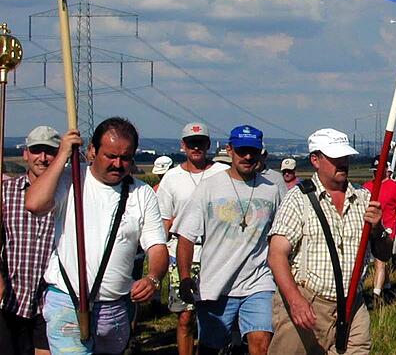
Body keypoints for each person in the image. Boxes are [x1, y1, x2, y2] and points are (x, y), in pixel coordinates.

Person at [25, 117, 167, 355]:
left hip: (116, 307)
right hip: (68, 301)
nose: (118, 164)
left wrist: (153, 277)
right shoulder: (70, 179)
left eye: (125, 157)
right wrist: (62, 155)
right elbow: (34, 204)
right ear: (92, 150)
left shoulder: (141, 193)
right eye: (110, 156)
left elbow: (157, 246)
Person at [268, 128, 391, 353]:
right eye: (335, 158)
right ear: (315, 160)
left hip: (352, 306)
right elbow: (276, 254)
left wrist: (378, 229)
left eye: (345, 157)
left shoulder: (364, 199)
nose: (342, 163)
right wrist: (295, 300)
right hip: (308, 304)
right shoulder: (299, 199)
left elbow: (384, 253)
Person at [173, 125, 282, 355]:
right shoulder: (209, 187)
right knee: (212, 348)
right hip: (216, 285)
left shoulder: (272, 191)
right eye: (242, 151)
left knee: (261, 342)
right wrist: (184, 277)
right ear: (230, 150)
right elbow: (186, 236)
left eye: (253, 151)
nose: (248, 157)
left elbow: (281, 236)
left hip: (258, 283)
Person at [156, 123, 228, 355]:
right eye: (191, 143)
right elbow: (164, 221)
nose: (196, 147)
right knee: (185, 316)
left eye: (200, 143)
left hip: (215, 252)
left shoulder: (221, 173)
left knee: (215, 315)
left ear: (208, 145)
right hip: (181, 253)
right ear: (183, 145)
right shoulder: (171, 178)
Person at [0, 126, 59, 355]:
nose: (42, 158)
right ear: (26, 153)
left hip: (50, 302)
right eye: (37, 150)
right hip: (11, 299)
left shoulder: (68, 194)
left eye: (49, 151)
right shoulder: (6, 192)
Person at [362, 157, 396, 300]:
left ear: (385, 170)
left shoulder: (394, 186)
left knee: (380, 261)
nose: (377, 173)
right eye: (374, 171)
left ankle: (376, 294)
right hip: (371, 229)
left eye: (379, 170)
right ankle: (388, 286)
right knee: (379, 261)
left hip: (388, 230)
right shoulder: (366, 187)